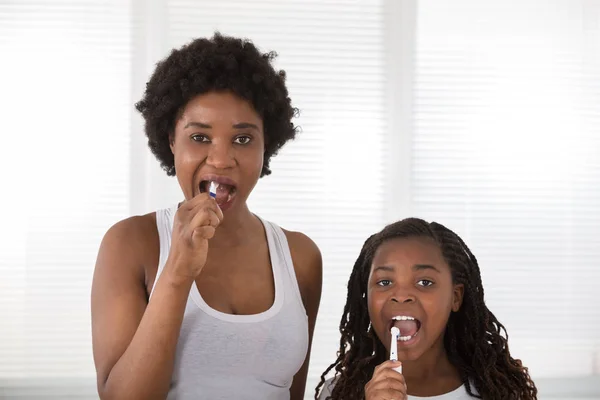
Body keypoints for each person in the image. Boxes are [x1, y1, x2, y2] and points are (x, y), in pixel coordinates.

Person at [91, 32, 322, 400]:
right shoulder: (131, 243)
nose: (220, 159)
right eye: (200, 137)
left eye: (243, 139)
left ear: (267, 144)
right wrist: (177, 273)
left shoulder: (300, 257)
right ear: (171, 140)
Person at [316, 218, 537, 400]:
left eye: (425, 282)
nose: (401, 295)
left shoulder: (500, 393)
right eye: (384, 282)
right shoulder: (339, 393)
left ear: (455, 297)